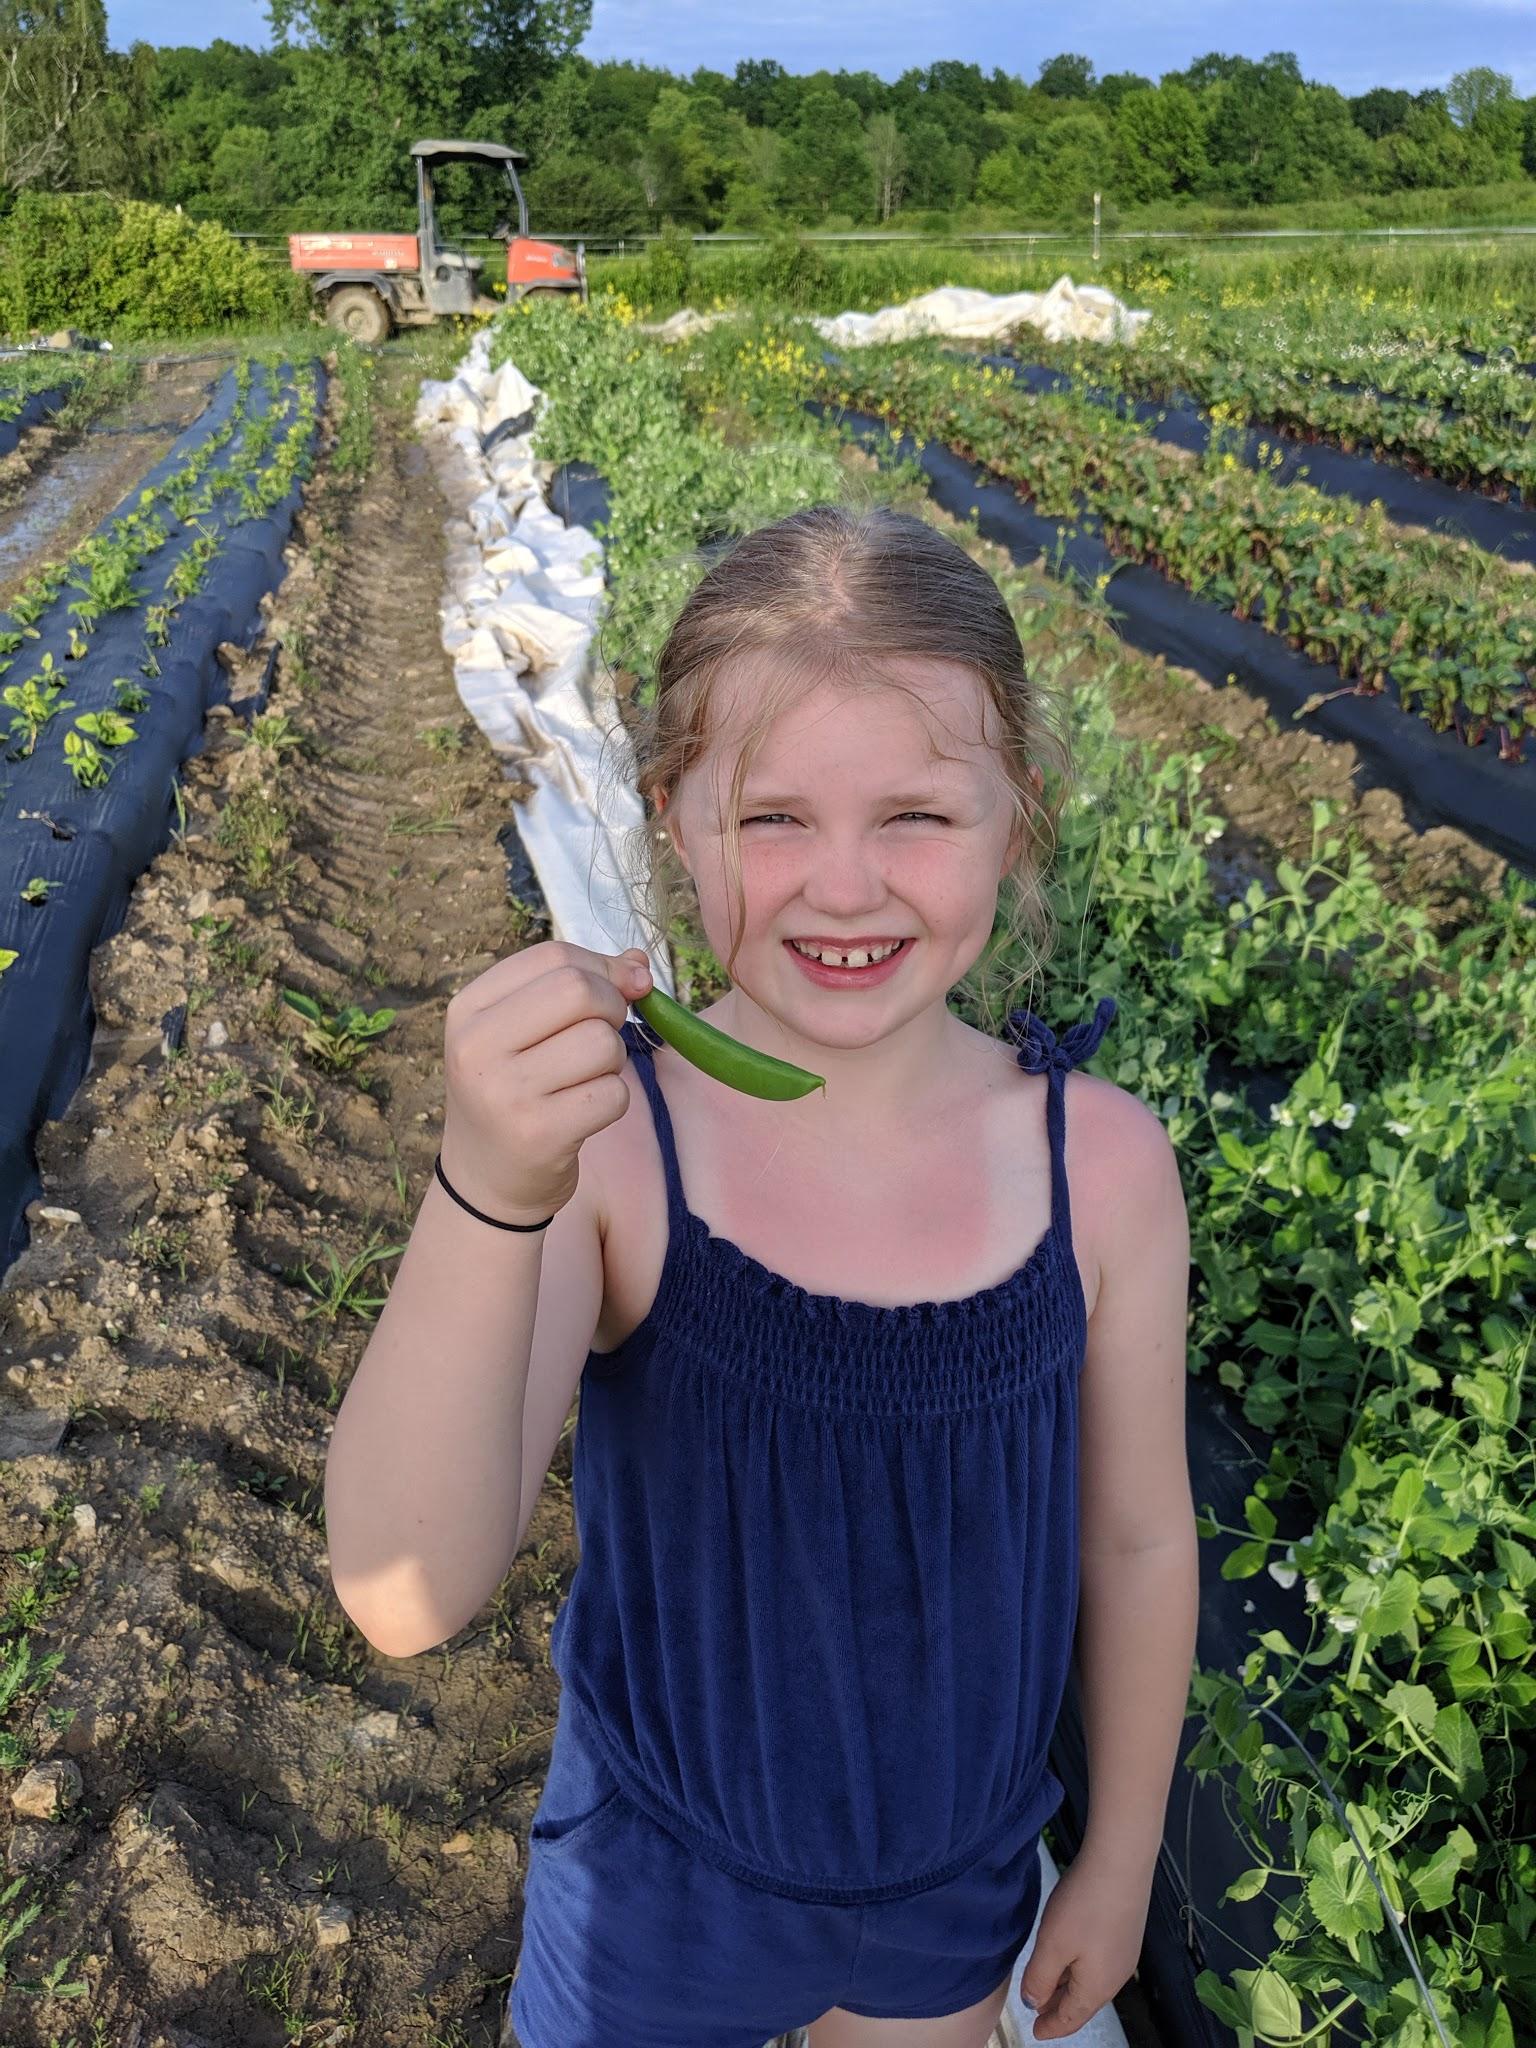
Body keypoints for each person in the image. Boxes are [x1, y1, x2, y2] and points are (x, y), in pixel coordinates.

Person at [324, 503, 1199, 2048]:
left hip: (954, 1888)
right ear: (675, 817)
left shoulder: (1102, 1172)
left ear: (1022, 815)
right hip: (655, 1891)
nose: (844, 887)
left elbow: (1131, 1543)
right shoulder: (615, 1151)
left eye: (918, 818)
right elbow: (407, 1589)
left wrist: (1120, 1858)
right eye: (774, 818)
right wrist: (485, 1186)